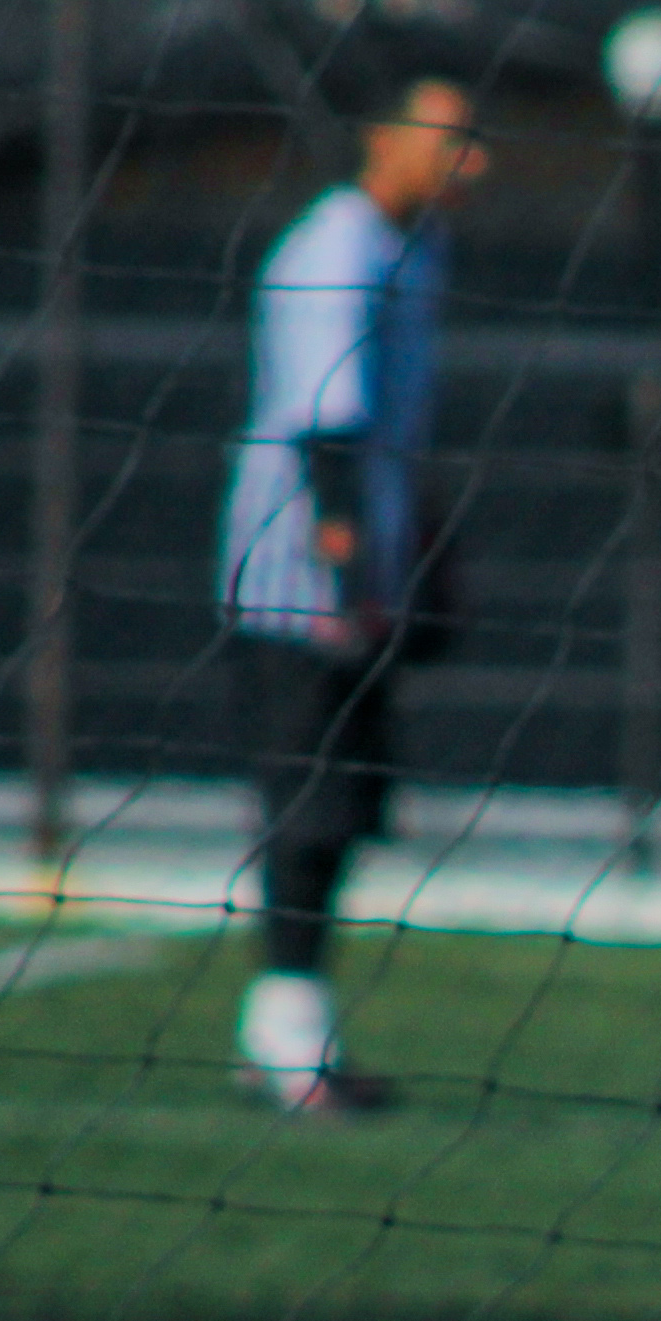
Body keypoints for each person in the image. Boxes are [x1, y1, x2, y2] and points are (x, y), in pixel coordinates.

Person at [220, 69, 484, 1117]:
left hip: (362, 561)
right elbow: (323, 417)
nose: (474, 161)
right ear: (384, 137)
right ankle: (287, 1040)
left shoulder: (418, 247)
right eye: (452, 136)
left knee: (351, 799)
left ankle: (290, 1027)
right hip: (299, 574)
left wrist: (421, 539)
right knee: (308, 797)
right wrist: (348, 573)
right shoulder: (337, 246)